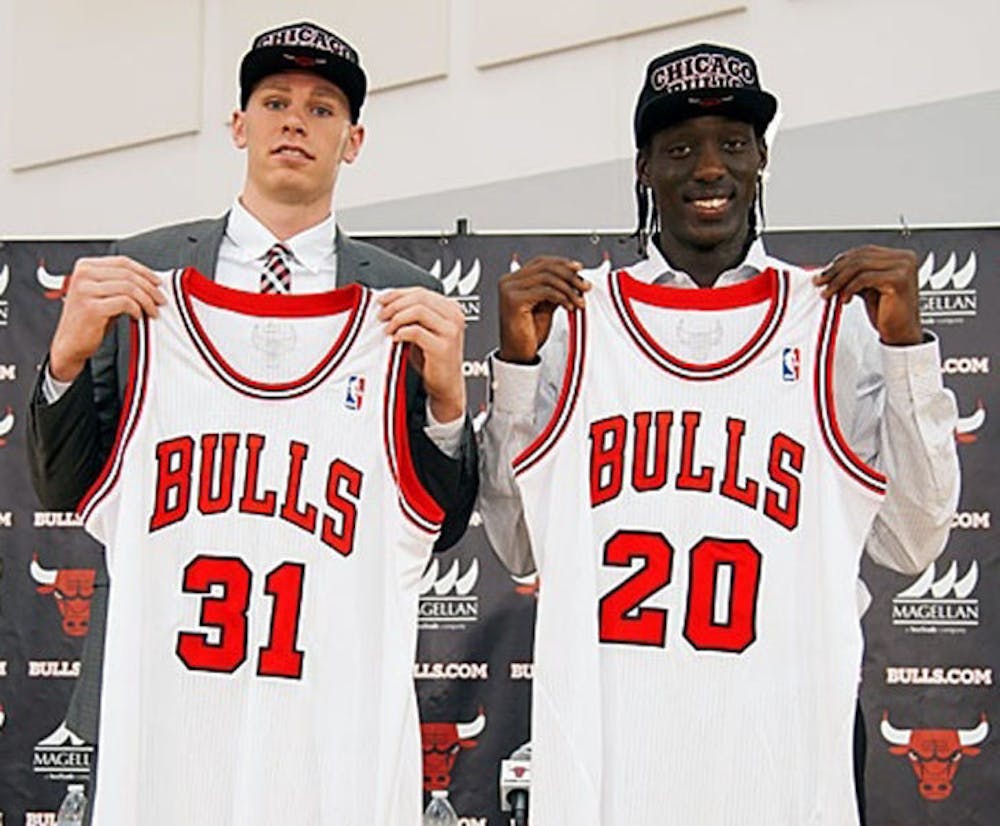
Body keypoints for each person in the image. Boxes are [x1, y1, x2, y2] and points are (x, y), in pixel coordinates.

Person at [479, 43, 959, 825]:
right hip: (617, 763)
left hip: (782, 765)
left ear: (761, 158)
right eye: (681, 149)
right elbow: (521, 546)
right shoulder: (575, 322)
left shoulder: (837, 321)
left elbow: (912, 542)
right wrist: (516, 371)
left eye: (732, 145)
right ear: (644, 168)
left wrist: (908, 353)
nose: (709, 168)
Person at [26, 20, 476, 821]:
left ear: (354, 140)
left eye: (321, 108)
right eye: (274, 101)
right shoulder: (143, 277)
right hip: (171, 712)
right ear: (239, 126)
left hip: (325, 724)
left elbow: (433, 524)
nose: (294, 121)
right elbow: (68, 485)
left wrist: (448, 406)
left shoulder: (404, 301)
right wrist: (62, 363)